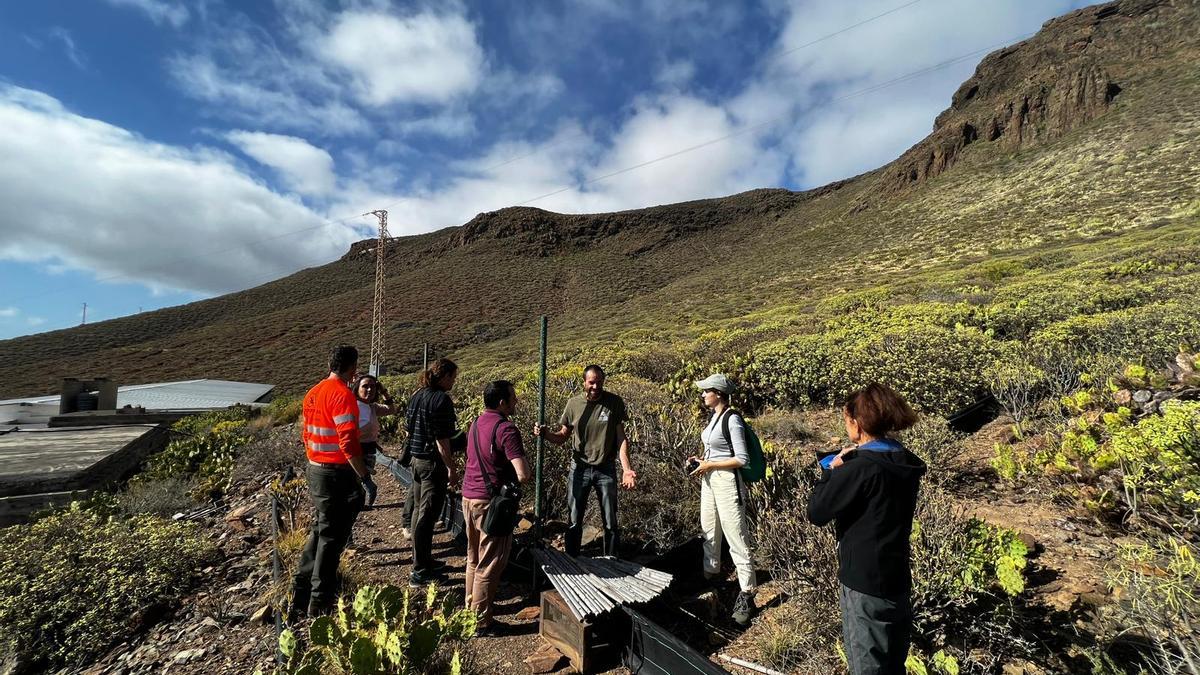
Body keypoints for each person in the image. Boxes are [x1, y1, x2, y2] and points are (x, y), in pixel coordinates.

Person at [808, 383, 926, 675]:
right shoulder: (903, 459)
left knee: (867, 665)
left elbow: (817, 512)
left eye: (847, 419)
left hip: (863, 581)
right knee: (893, 661)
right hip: (895, 574)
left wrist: (832, 472)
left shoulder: (860, 468)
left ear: (857, 423)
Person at [290, 345, 377, 618]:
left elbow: (306, 434)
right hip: (334, 473)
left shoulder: (313, 393)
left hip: (315, 469)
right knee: (331, 538)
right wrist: (364, 476)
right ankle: (319, 602)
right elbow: (348, 442)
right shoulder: (342, 395)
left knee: (320, 531)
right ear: (352, 367)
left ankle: (300, 591)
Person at [534, 364, 635, 557]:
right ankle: (573, 559)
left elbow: (621, 438)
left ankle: (611, 560)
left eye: (599, 382)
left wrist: (627, 469)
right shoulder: (573, 404)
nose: (595, 387)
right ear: (584, 382)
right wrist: (546, 434)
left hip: (605, 469)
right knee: (573, 519)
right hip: (579, 469)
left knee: (610, 520)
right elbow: (562, 436)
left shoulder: (614, 403)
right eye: (591, 382)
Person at [462, 380, 531, 636]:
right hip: (490, 504)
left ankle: (469, 611)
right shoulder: (506, 429)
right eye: (513, 397)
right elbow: (522, 474)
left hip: (468, 497)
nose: (516, 401)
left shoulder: (476, 423)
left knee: (473, 558)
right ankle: (481, 623)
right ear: (502, 402)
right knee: (490, 564)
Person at [687, 373, 757, 626]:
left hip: (727, 482)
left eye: (707, 390)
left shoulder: (733, 419)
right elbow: (715, 451)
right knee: (709, 531)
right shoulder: (713, 418)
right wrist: (700, 461)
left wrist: (710, 464)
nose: (703, 394)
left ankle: (748, 593)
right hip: (710, 480)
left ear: (718, 393)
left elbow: (742, 459)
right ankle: (712, 578)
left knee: (736, 536)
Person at [404, 357, 460, 586]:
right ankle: (419, 571)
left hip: (417, 460)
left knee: (419, 511)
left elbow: (408, 427)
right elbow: (442, 439)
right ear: (445, 376)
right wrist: (451, 468)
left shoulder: (417, 395)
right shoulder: (440, 400)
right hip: (431, 464)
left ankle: (424, 560)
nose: (454, 382)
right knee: (427, 515)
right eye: (453, 378)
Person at [352, 373, 398, 508]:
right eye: (365, 386)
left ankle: (362, 506)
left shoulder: (372, 407)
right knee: (356, 482)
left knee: (360, 483)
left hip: (369, 450)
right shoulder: (352, 406)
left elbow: (392, 409)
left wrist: (384, 392)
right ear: (357, 388)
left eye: (373, 387)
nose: (370, 390)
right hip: (355, 452)